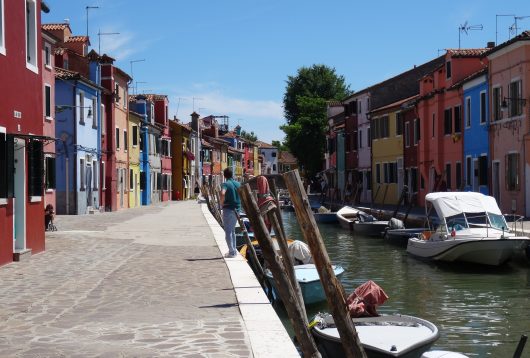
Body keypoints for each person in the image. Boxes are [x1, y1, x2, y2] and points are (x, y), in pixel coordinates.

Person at [220, 168, 241, 258]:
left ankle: (231, 252)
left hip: (228, 209)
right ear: (232, 175)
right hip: (237, 209)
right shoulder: (238, 184)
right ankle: (234, 251)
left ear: (224, 176)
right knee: (233, 231)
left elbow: (222, 193)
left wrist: (221, 203)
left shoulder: (225, 184)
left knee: (228, 231)